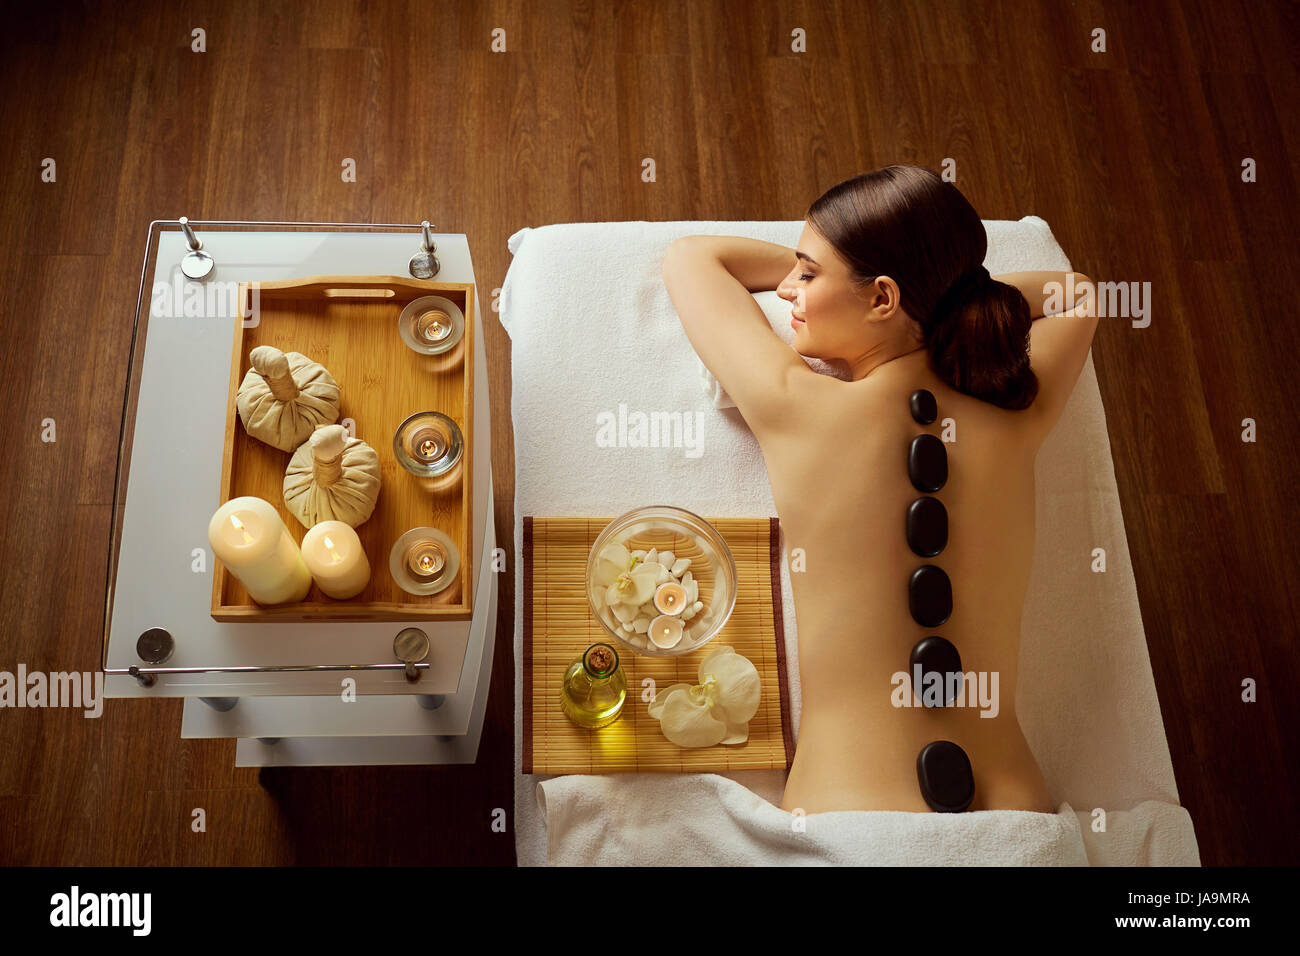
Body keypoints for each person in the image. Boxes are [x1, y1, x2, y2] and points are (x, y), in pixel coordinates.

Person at [661, 164, 1098, 812]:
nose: (786, 291)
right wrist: (935, 292)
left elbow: (693, 259)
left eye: (807, 274)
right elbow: (1078, 294)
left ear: (883, 299)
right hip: (1014, 816)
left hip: (853, 820)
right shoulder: (1015, 419)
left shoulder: (797, 408)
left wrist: (891, 284)